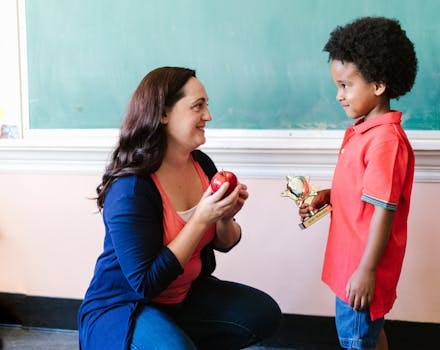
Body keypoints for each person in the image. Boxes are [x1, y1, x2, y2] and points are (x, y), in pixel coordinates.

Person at [78, 67, 282, 350]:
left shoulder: (202, 164)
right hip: (126, 306)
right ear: (163, 114)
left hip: (182, 298)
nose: (208, 116)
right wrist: (200, 220)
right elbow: (145, 283)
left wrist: (225, 216)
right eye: (198, 106)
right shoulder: (131, 188)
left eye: (207, 105)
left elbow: (225, 243)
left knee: (262, 313)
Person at [299, 17, 418, 350]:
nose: (339, 95)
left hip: (359, 272)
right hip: (350, 265)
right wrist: (328, 196)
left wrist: (366, 270)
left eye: (345, 85)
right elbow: (362, 192)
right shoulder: (365, 131)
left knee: (355, 339)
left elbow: (384, 210)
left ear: (378, 84)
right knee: (368, 336)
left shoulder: (384, 142)